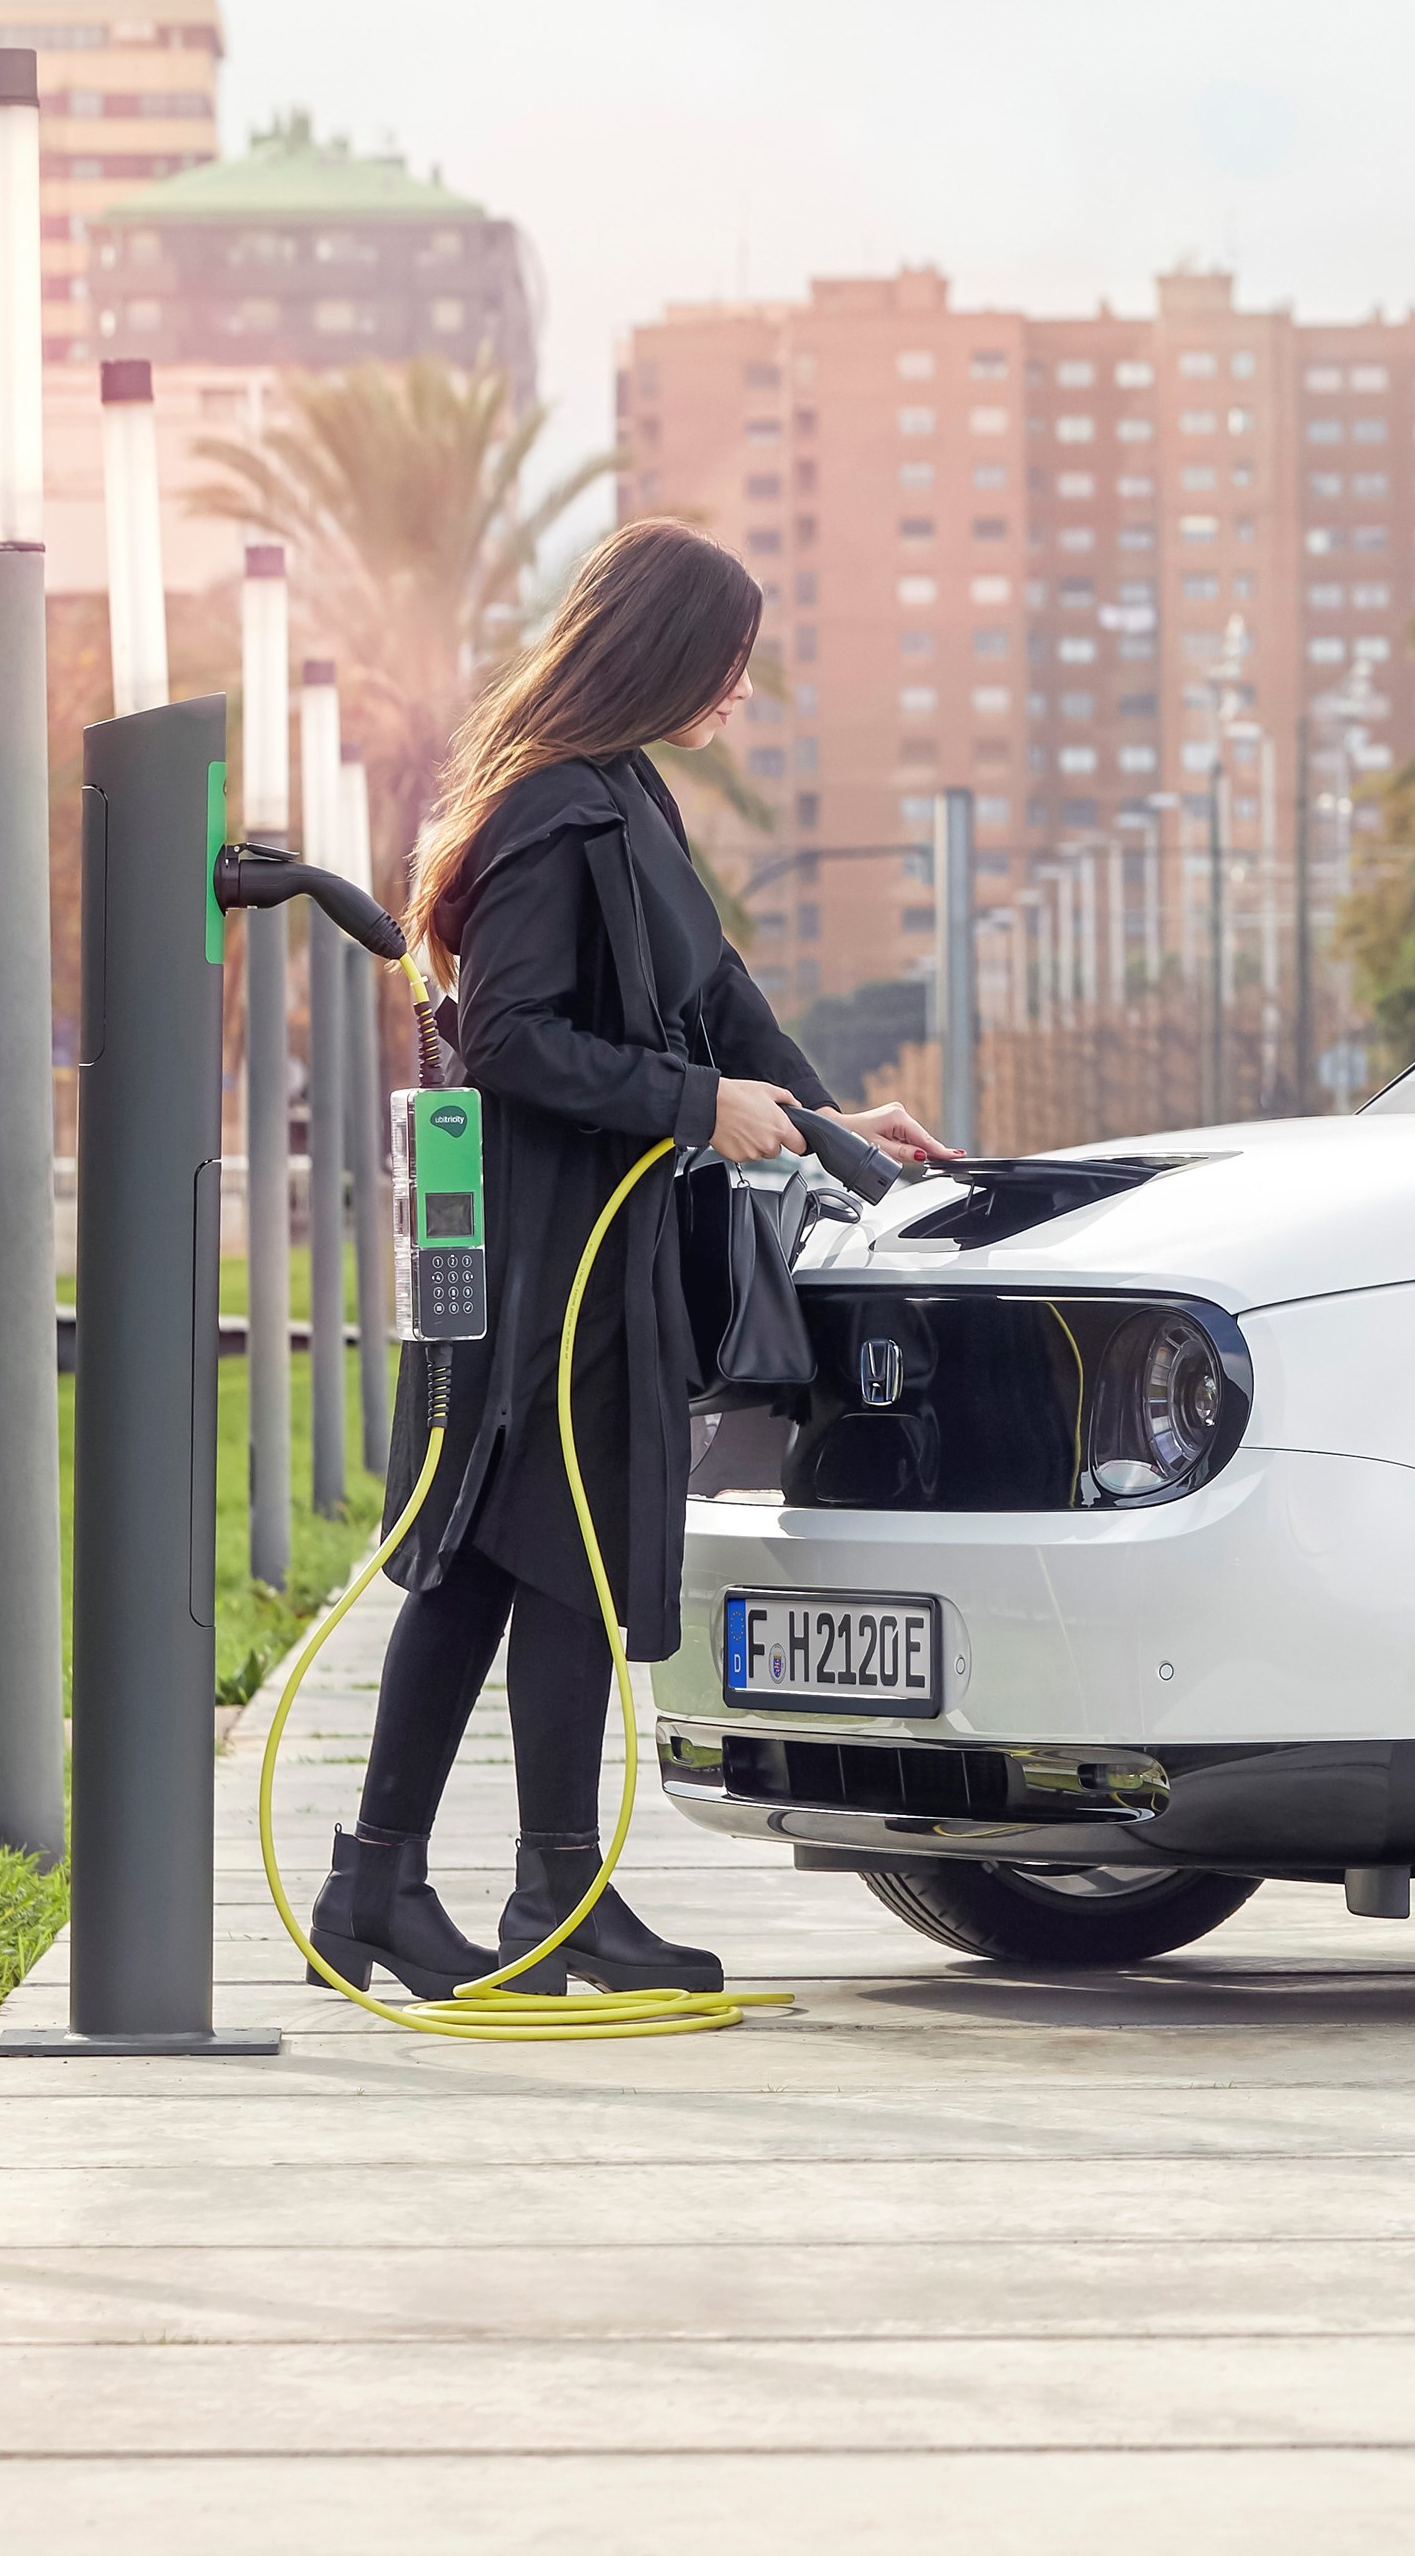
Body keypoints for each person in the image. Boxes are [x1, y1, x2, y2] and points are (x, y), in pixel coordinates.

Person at [305, 520, 936, 1997]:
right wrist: (693, 1107)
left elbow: (710, 992)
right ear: (664, 652)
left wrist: (831, 1118)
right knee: (517, 1560)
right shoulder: (554, 812)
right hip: (551, 1260)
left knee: (525, 1565)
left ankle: (443, 1891)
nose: (742, 694)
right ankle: (497, 1894)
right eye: (732, 665)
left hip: (599, 1243)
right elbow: (515, 1038)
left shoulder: (622, 798)